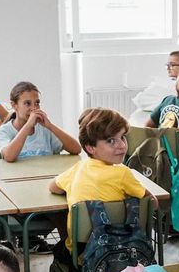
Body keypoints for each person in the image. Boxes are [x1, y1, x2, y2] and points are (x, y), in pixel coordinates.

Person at [49, 108, 152, 252]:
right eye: (111, 141)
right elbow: (152, 203)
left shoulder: (78, 169)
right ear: (90, 147)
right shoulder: (123, 174)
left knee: (59, 246)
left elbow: (53, 187)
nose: (121, 145)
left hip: (83, 255)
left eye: (122, 137)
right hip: (126, 249)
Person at [0, 81, 81, 162]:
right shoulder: (4, 131)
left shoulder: (45, 129)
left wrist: (50, 126)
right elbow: (9, 157)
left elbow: (76, 149)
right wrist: (28, 125)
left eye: (37, 103)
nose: (34, 108)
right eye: (27, 103)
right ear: (14, 105)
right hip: (18, 176)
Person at [131, 50, 179, 124]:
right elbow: (140, 100)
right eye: (167, 65)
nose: (168, 68)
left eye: (172, 65)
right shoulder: (165, 83)